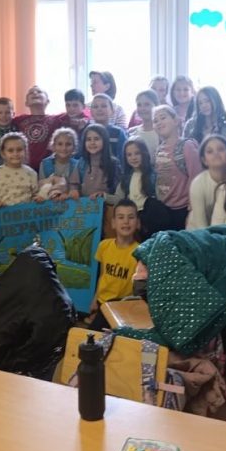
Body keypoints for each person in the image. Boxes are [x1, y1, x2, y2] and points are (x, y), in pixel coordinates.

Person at [88, 199, 141, 329]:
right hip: (102, 302)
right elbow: (102, 275)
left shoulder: (140, 252)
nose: (126, 221)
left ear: (137, 223)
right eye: (121, 217)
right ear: (113, 223)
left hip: (122, 307)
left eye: (131, 217)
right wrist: (95, 300)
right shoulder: (104, 246)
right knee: (92, 336)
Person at [150, 104, 202, 231]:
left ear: (176, 121)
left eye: (163, 117)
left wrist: (192, 208)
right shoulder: (158, 149)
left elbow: (196, 177)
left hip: (182, 209)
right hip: (163, 209)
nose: (159, 122)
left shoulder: (187, 146)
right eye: (155, 121)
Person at [186, 134, 226, 229]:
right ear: (204, 160)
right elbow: (200, 225)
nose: (216, 153)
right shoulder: (198, 184)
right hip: (199, 230)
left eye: (221, 149)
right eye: (210, 151)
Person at [70, 124, 122, 207]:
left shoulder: (113, 164)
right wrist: (74, 190)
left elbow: (119, 194)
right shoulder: (82, 162)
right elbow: (74, 183)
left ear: (104, 141)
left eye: (96, 139)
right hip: (83, 207)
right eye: (88, 139)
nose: (92, 143)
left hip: (106, 207)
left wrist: (104, 196)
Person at [0, 132, 39, 206]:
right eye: (10, 150)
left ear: (25, 151)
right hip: (2, 212)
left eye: (19, 150)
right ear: (3, 153)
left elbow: (35, 196)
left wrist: (38, 199)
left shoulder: (31, 173)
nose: (15, 154)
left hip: (26, 213)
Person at [13, 86, 61, 170]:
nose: (35, 93)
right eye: (31, 93)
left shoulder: (56, 120)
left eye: (39, 92)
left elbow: (75, 114)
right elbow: (1, 120)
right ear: (26, 103)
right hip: (25, 168)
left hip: (47, 168)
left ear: (47, 101)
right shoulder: (20, 120)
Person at [118, 140, 158, 239]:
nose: (133, 158)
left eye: (137, 153)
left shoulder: (152, 175)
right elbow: (118, 197)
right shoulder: (126, 177)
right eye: (129, 155)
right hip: (132, 217)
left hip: (149, 217)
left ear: (144, 153)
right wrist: (104, 196)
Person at [38, 127, 77, 200]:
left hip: (70, 201)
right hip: (49, 201)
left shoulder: (77, 165)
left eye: (68, 144)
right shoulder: (45, 164)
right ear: (53, 146)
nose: (64, 148)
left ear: (74, 147)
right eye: (60, 144)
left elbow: (77, 189)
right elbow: (42, 187)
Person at [88, 94, 128, 161]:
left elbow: (123, 157)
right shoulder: (87, 132)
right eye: (95, 107)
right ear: (91, 112)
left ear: (112, 111)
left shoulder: (118, 132)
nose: (99, 109)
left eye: (104, 106)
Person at [128, 89, 160, 160]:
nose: (142, 108)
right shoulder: (132, 132)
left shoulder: (161, 132)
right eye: (139, 105)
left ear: (156, 106)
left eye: (147, 104)